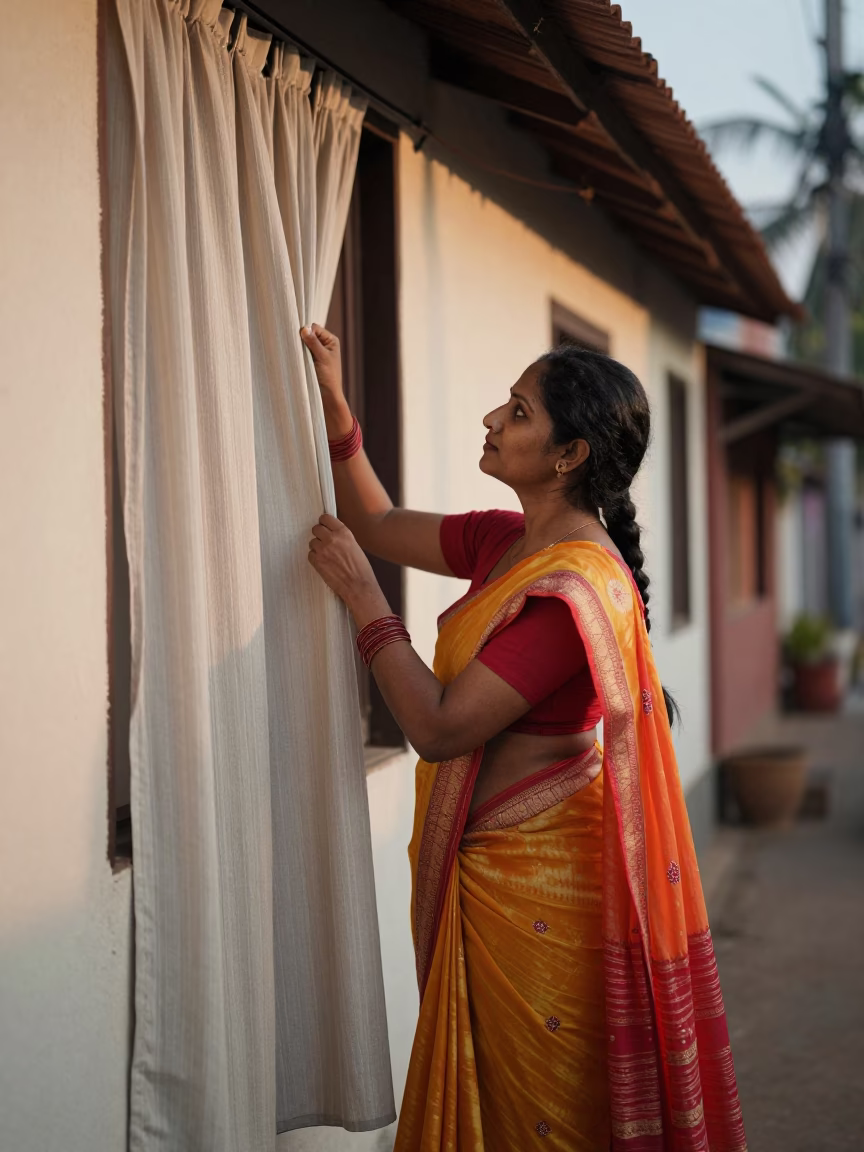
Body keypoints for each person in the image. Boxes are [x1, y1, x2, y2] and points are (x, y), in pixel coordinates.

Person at [300, 323, 746, 1152]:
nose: (492, 421)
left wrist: (368, 604)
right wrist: (333, 403)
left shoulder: (568, 594)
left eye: (518, 412)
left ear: (569, 454)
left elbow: (437, 728)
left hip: (543, 905)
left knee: (537, 1121)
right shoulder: (506, 542)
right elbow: (378, 516)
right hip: (494, 885)